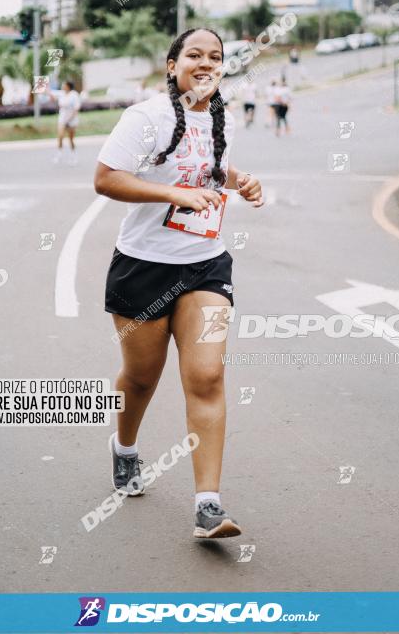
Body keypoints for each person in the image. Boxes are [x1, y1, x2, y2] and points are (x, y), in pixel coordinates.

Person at [94, 28, 264, 539]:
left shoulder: (222, 117)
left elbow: (211, 166)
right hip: (143, 266)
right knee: (142, 377)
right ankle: (124, 449)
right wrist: (173, 194)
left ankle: (208, 505)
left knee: (207, 376)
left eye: (215, 57)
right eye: (195, 55)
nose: (206, 63)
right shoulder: (145, 117)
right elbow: (106, 178)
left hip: (205, 264)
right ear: (173, 65)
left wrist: (241, 179)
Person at [51, 81, 81, 165]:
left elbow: (76, 109)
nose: (63, 86)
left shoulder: (74, 95)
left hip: (72, 120)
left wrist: (70, 119)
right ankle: (59, 154)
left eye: (64, 85)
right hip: (62, 119)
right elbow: (51, 95)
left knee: (71, 139)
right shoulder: (61, 94)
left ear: (68, 86)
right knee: (60, 136)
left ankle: (73, 155)